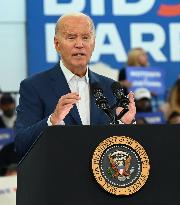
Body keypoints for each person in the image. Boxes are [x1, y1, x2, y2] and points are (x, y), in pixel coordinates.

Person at [15, 12, 136, 161]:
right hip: (56, 179)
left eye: (85, 38)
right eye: (71, 37)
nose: (80, 44)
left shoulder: (110, 87)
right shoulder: (34, 86)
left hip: (101, 180)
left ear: (93, 43)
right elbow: (21, 144)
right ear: (57, 44)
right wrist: (52, 120)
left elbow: (120, 148)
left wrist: (125, 123)